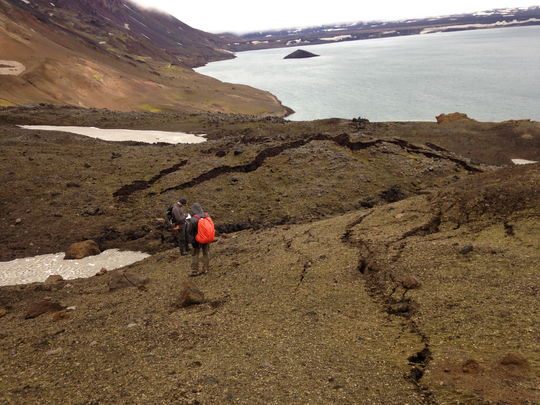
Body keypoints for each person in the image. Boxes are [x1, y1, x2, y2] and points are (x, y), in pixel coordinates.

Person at [186, 203, 211, 276]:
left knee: (195, 254)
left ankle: (195, 271)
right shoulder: (207, 216)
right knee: (206, 253)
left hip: (197, 239)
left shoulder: (194, 219)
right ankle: (205, 269)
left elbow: (189, 230)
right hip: (206, 238)